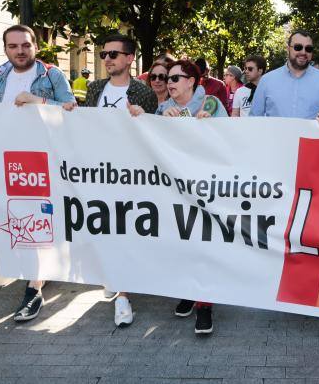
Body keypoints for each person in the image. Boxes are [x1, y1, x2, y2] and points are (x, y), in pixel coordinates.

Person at [0, 24, 75, 322]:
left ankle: (34, 286)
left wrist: (38, 101)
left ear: (35, 46)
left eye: (25, 45)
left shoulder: (51, 75)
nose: (20, 51)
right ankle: (36, 277)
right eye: (13, 46)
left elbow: (71, 110)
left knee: (38, 218)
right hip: (7, 162)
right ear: (6, 48)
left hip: (44, 161)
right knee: (18, 218)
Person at [83, 34, 158, 327]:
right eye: (103, 55)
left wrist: (141, 119)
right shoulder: (94, 89)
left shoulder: (143, 93)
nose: (107, 60)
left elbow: (152, 137)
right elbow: (84, 126)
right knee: (104, 227)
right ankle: (114, 276)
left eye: (113, 54)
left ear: (129, 58)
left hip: (129, 174)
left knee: (125, 229)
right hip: (96, 172)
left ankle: (124, 296)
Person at [149, 59, 224, 334]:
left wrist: (208, 127)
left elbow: (229, 143)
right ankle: (189, 292)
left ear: (192, 81)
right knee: (182, 242)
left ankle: (205, 305)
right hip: (174, 188)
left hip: (205, 188)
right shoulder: (162, 107)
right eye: (167, 78)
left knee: (204, 244)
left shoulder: (212, 106)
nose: (169, 82)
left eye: (175, 78)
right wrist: (156, 122)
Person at [250, 29, 319, 120]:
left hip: (310, 134)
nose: (303, 52)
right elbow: (254, 118)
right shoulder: (267, 80)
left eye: (308, 49)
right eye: (298, 47)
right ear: (288, 49)